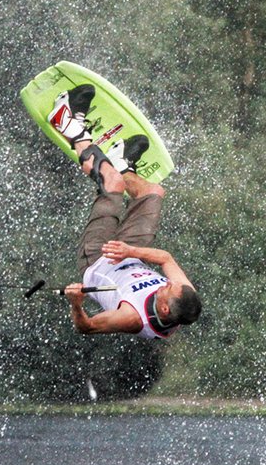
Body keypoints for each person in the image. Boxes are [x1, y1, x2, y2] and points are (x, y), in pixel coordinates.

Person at [47, 84, 202, 339]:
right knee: (154, 192)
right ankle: (121, 164)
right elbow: (165, 258)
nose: (171, 282)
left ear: (164, 308)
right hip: (128, 252)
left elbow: (87, 327)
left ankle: (67, 122)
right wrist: (130, 251)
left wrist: (76, 303)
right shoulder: (185, 299)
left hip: (97, 259)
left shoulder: (133, 318)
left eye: (170, 288)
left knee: (112, 184)